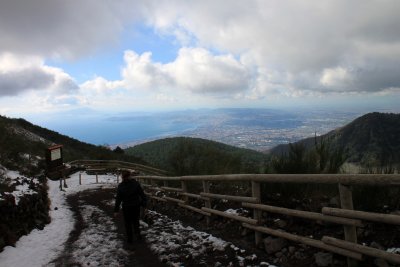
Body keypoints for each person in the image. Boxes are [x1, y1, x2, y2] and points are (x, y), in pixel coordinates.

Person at [114, 170, 147, 245]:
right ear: (129, 176)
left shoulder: (121, 186)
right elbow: (142, 195)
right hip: (136, 206)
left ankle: (130, 239)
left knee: (127, 223)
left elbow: (118, 199)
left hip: (126, 207)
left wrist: (116, 210)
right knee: (136, 221)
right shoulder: (136, 184)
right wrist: (144, 205)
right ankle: (138, 235)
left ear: (122, 177)